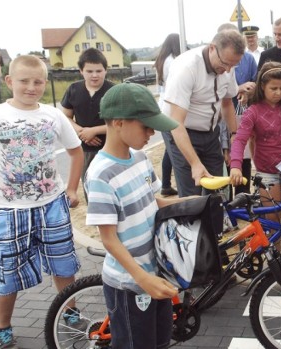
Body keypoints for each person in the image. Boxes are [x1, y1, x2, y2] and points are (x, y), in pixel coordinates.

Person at [0, 55, 84, 349]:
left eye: (37, 82)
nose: (31, 87)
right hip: (9, 211)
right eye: (24, 81)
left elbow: (76, 151)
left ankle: (70, 311)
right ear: (10, 82)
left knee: (64, 265)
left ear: (45, 83)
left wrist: (71, 189)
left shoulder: (52, 115)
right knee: (7, 274)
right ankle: (2, 327)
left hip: (51, 206)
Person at [85, 83, 188, 349]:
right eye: (146, 126)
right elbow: (108, 239)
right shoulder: (100, 175)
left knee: (160, 342)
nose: (152, 133)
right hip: (129, 285)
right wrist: (142, 278)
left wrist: (194, 203)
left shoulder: (140, 158)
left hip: (156, 276)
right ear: (119, 123)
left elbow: (156, 201)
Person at [230, 62, 281, 258]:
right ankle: (276, 258)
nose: (278, 92)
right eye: (273, 88)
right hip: (267, 171)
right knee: (271, 217)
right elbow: (240, 139)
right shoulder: (253, 111)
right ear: (262, 87)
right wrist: (236, 166)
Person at [160, 29, 244, 197]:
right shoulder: (187, 67)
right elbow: (176, 123)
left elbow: (227, 102)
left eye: (233, 65)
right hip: (181, 131)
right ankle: (193, 223)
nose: (228, 70)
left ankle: (215, 221)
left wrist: (234, 133)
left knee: (218, 189)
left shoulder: (227, 64)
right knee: (193, 190)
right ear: (212, 48)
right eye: (225, 63)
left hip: (210, 131)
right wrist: (195, 163)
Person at [61, 47, 114, 201]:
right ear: (81, 71)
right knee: (90, 188)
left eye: (99, 70)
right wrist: (82, 132)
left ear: (106, 70)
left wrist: (94, 131)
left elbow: (123, 123)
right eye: (89, 71)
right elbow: (65, 117)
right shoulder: (73, 89)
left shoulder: (114, 91)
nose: (95, 75)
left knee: (111, 188)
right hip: (84, 150)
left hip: (111, 149)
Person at [218, 23, 258, 196]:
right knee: (224, 159)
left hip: (241, 116)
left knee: (243, 157)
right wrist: (239, 88)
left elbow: (256, 83)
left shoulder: (248, 59)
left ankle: (243, 197)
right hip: (220, 119)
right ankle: (226, 200)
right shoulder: (217, 61)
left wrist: (248, 93)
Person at [153, 33, 182, 197]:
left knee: (169, 150)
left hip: (163, 106)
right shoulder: (175, 61)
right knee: (173, 150)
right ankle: (167, 183)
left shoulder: (160, 61)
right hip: (172, 107)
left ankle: (165, 184)